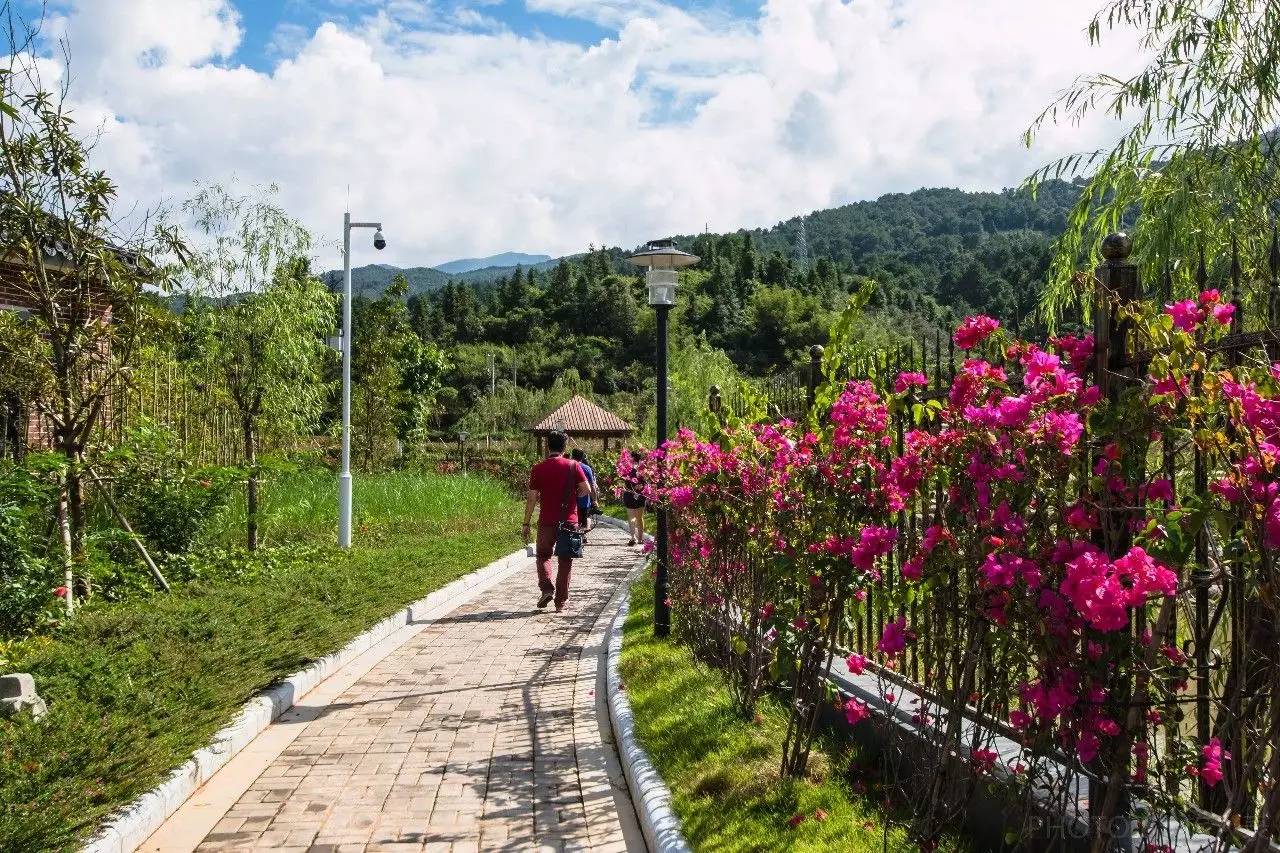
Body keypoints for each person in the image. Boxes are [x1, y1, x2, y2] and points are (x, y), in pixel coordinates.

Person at [524, 431, 589, 611]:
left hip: (546, 521)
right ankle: (561, 602)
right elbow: (586, 489)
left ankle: (546, 589)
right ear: (565, 446)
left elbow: (531, 498)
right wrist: (574, 496)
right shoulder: (573, 466)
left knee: (543, 555)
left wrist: (526, 523)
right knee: (565, 560)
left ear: (547, 445)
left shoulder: (538, 468)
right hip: (569, 521)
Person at [621, 448, 648, 547]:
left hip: (629, 494)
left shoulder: (627, 468)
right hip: (640, 494)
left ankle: (633, 537)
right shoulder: (643, 468)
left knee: (631, 516)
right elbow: (645, 482)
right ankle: (640, 539)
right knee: (640, 517)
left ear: (632, 458)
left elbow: (623, 479)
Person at [570, 448, 598, 539]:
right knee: (582, 522)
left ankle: (573, 538)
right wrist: (595, 500)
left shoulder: (567, 466)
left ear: (572, 456)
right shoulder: (587, 468)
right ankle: (581, 538)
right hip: (584, 500)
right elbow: (592, 486)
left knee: (571, 521)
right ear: (582, 457)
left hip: (570, 500)